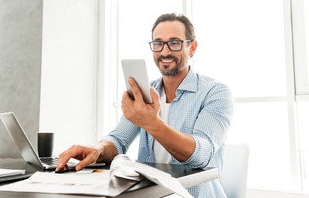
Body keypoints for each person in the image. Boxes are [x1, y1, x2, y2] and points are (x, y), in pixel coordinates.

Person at [56, 13, 233, 197]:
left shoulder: (215, 93)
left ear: (192, 47)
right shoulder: (146, 93)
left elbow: (200, 155)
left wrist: (151, 123)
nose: (165, 52)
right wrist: (98, 149)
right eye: (158, 43)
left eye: (174, 43)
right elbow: (119, 140)